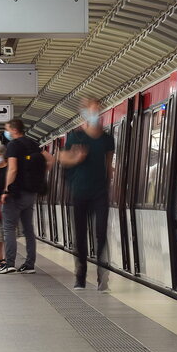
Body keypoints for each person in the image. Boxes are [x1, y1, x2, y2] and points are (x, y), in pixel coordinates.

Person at [58, 97, 114, 291]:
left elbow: (109, 165)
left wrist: (111, 188)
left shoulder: (107, 138)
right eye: (92, 110)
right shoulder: (76, 137)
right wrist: (76, 158)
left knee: (101, 234)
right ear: (84, 113)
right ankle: (80, 276)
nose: (96, 113)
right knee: (80, 236)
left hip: (100, 193)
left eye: (98, 109)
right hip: (80, 192)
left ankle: (102, 277)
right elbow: (63, 159)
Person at [0, 119, 53, 275]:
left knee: (8, 228)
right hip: (31, 193)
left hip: (16, 194)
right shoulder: (32, 143)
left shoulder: (13, 145)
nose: (6, 133)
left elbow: (12, 169)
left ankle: (9, 263)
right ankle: (29, 264)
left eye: (7, 129)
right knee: (28, 229)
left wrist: (6, 189)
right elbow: (50, 159)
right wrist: (39, 175)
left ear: (14, 130)